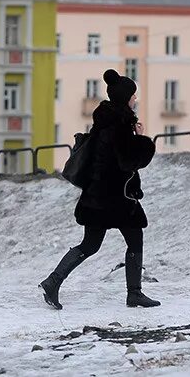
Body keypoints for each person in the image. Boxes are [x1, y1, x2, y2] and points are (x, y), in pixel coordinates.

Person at [40, 68, 159, 309]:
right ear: (126, 97)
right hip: (118, 198)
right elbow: (128, 160)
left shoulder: (104, 121)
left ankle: (53, 282)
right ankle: (134, 293)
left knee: (90, 245)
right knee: (135, 240)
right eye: (133, 96)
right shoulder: (122, 124)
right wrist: (142, 140)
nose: (135, 99)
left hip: (97, 196)